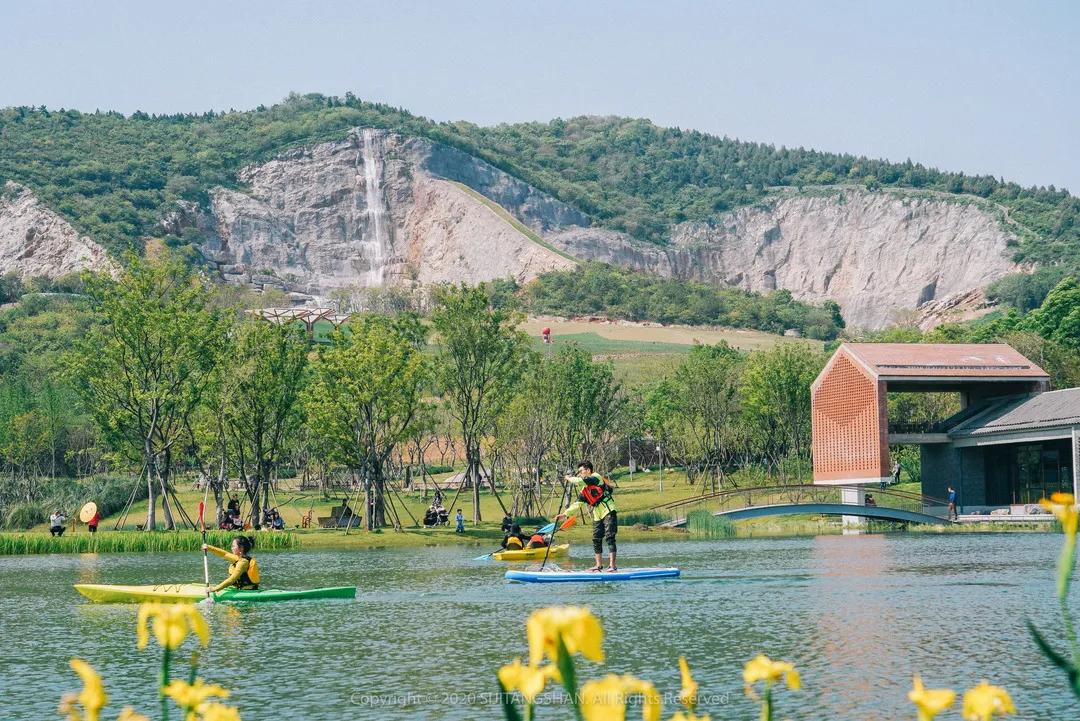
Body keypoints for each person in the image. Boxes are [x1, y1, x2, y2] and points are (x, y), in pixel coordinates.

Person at [556, 460, 617, 572]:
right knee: (596, 539)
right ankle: (598, 566)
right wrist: (565, 514)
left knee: (609, 537)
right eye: (578, 472)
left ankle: (612, 566)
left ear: (588, 470)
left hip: (608, 510)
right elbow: (577, 504)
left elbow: (579, 480)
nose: (579, 474)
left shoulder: (596, 477)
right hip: (597, 514)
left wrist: (568, 478)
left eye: (581, 471)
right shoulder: (584, 490)